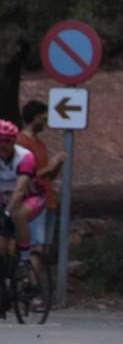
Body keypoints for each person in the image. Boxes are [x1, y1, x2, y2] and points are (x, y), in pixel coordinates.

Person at [17, 100, 66, 260]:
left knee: (42, 247)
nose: (45, 121)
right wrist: (50, 167)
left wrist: (56, 165)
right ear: (35, 117)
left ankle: (32, 282)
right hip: (32, 202)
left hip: (47, 201)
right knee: (34, 246)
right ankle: (27, 284)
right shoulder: (21, 142)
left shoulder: (40, 144)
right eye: (43, 118)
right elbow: (24, 176)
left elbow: (49, 176)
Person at [0, 119, 47, 278]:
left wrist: (6, 213)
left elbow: (20, 190)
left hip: (32, 198)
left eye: (7, 141)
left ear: (14, 141)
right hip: (5, 200)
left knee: (17, 213)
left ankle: (25, 260)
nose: (2, 145)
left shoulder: (25, 157)